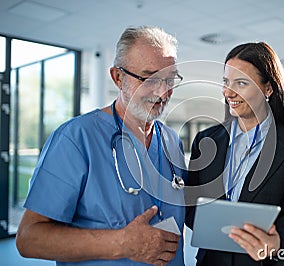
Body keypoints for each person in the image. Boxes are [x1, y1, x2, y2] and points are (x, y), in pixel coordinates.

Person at [16, 26, 187, 266]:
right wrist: (122, 243)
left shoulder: (171, 141)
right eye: (150, 78)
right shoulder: (76, 138)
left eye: (170, 79)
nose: (162, 91)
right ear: (118, 77)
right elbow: (28, 238)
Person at [185, 42, 284, 265]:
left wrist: (277, 243)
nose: (228, 92)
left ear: (268, 89)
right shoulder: (205, 141)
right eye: (226, 82)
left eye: (241, 83)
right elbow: (191, 206)